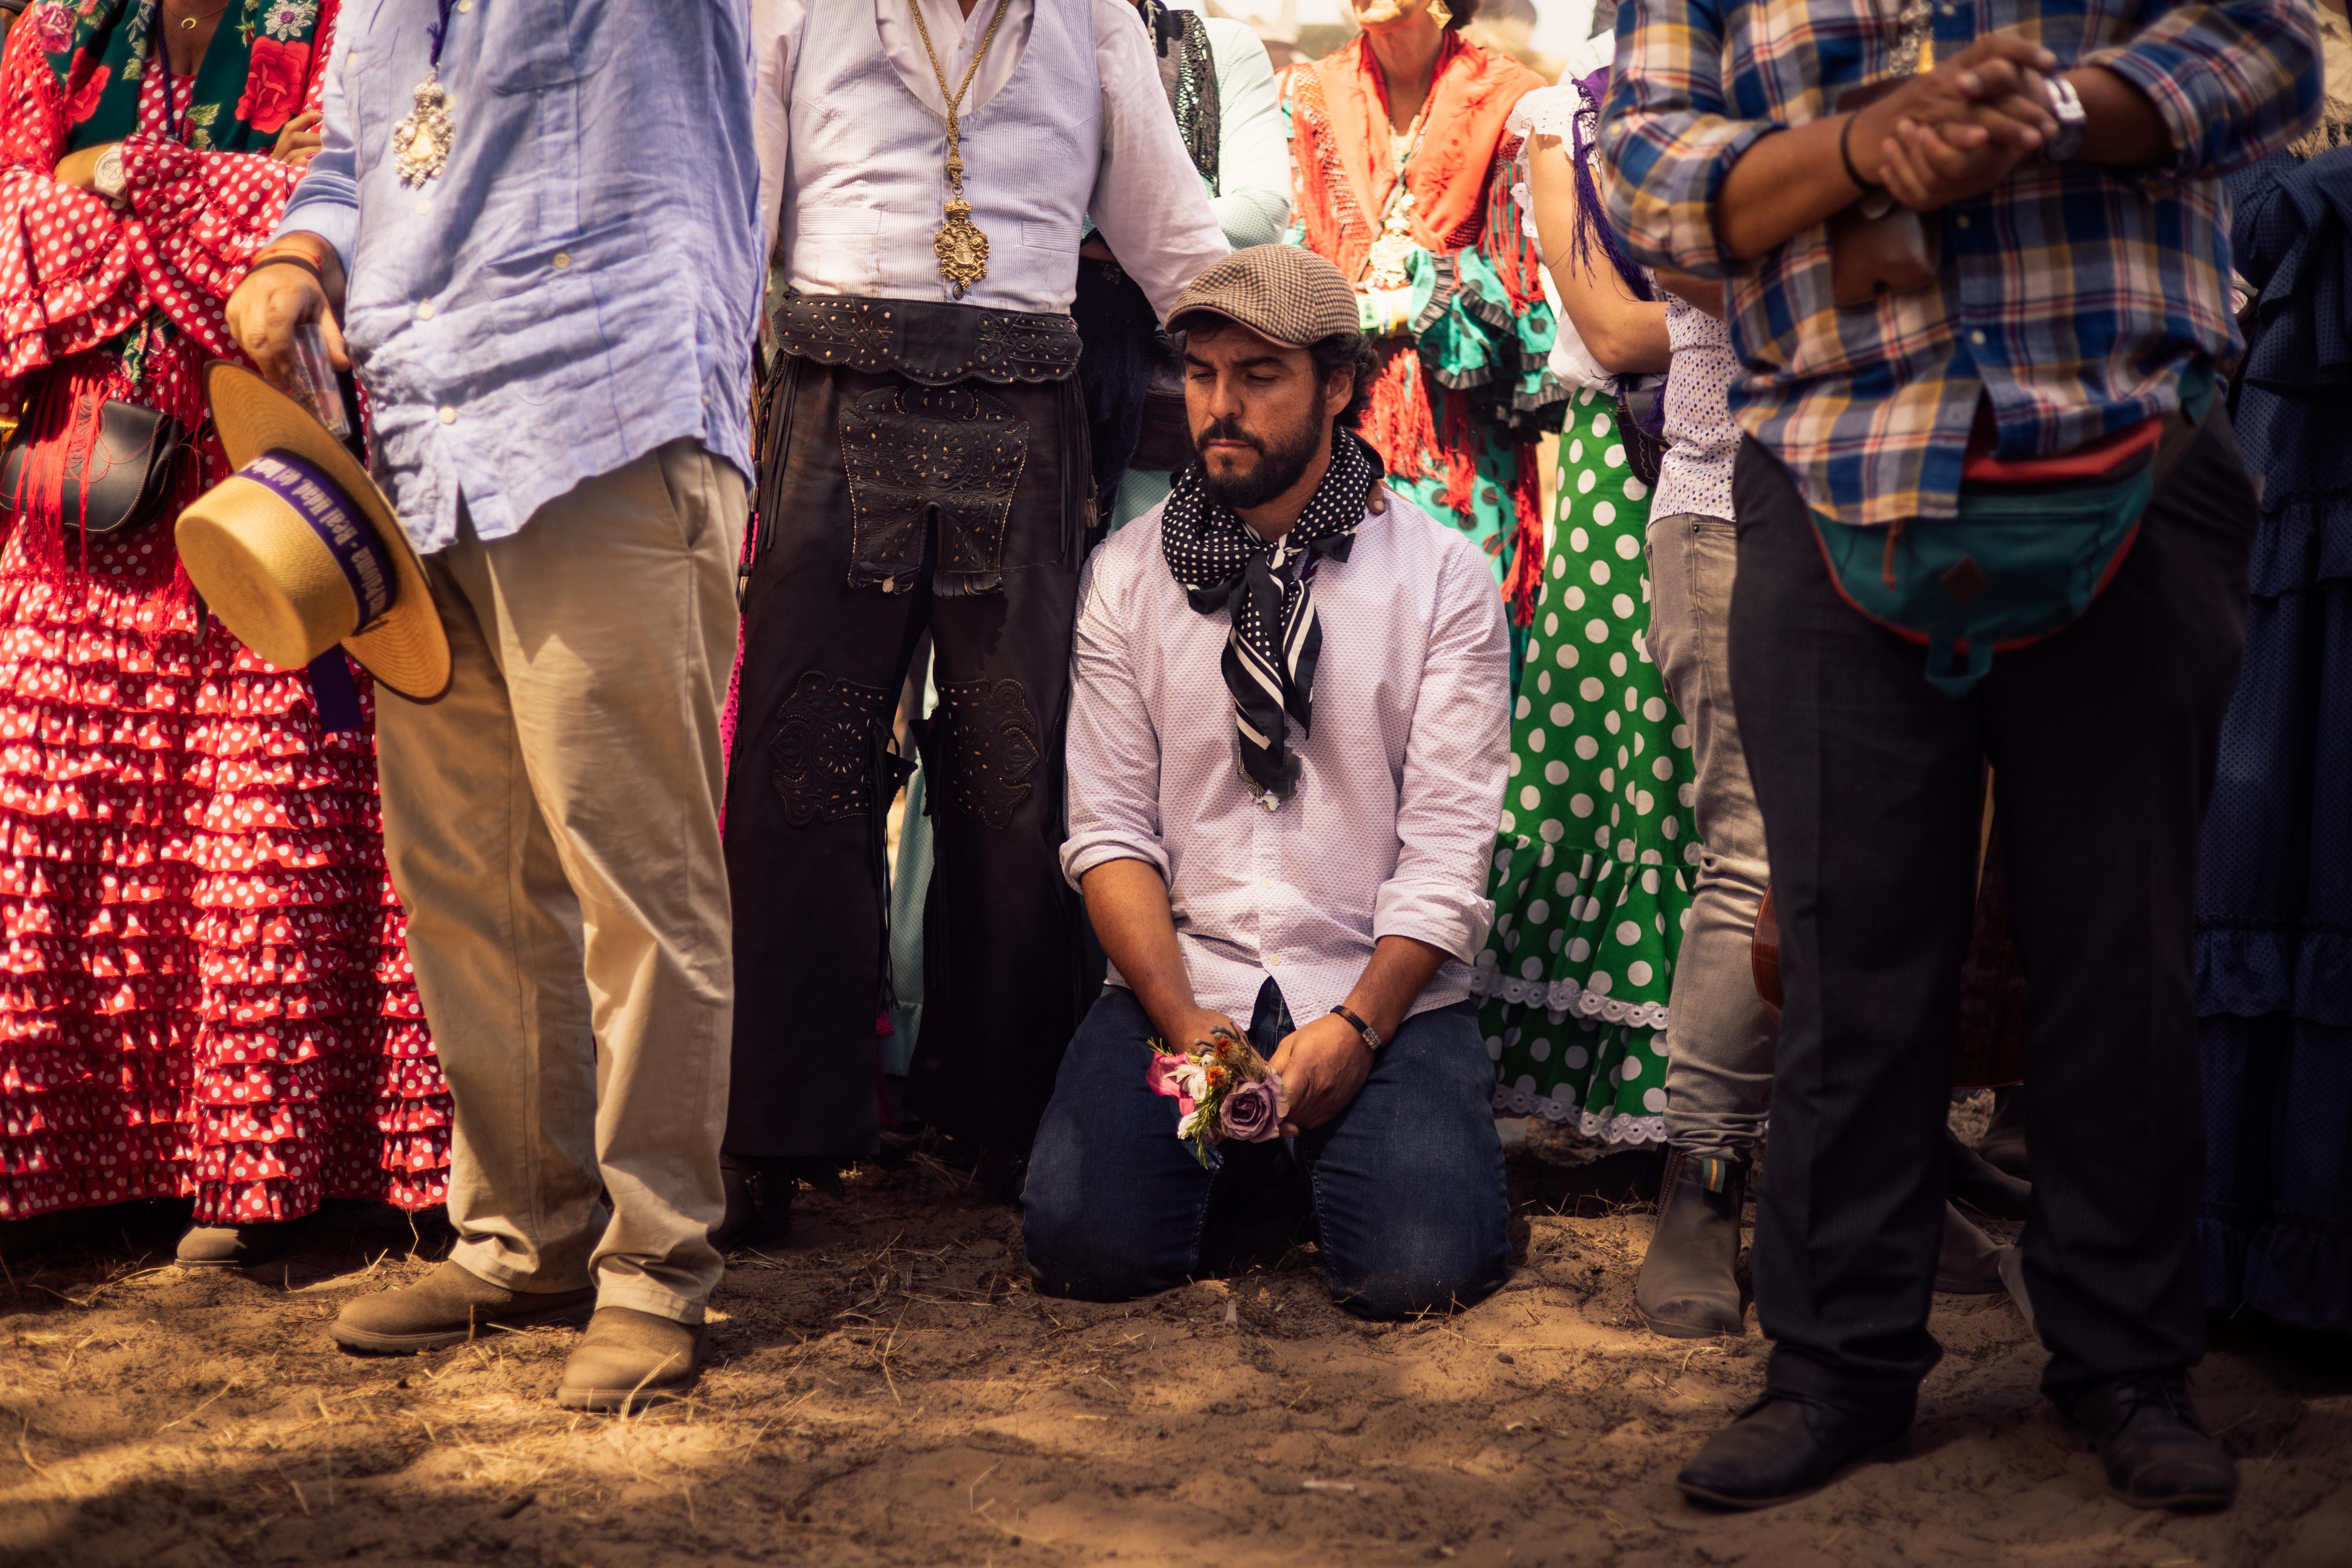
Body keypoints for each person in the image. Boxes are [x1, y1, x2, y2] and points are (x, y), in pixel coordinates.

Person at [1605, 0, 2318, 1511]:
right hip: (1830, 467)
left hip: (2132, 448)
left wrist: (2050, 111)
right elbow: (1647, 176)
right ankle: (1833, 1366)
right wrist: (1863, 144)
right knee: (1847, 955)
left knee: (2119, 949)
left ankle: (2127, 1358)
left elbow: (2267, 53)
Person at [224, 0, 761, 1411]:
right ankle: (525, 1236)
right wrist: (298, 252)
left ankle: (654, 1267)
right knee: (466, 875)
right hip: (421, 452)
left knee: (636, 880)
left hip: (605, 418)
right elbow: (353, 159)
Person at [719, 0, 1227, 1231]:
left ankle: (1007, 1121)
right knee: (803, 760)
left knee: (1018, 770)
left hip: (1026, 411)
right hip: (832, 397)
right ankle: (771, 1131)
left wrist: (1295, 353)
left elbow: (1177, 240)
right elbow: (737, 231)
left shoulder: (1093, 17)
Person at [0, 0, 450, 1263]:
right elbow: (7, 232)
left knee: (271, 827)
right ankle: (76, 1173)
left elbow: (344, 226)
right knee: (44, 813)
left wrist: (118, 178)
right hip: (84, 504)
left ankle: (253, 1183)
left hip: (276, 490)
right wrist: (233, 219)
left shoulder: (349, 26)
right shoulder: (54, 31)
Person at [1022, 244, 1513, 1320]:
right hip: (1185, 980)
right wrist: (1182, 1018)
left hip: (1378, 991)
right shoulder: (1128, 572)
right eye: (1202, 375)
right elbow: (1107, 831)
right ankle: (1263, 1165)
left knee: (1419, 1270)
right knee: (1083, 1246)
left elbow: (1447, 851)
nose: (1220, 407)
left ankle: (1303, 1157)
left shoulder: (1441, 578)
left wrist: (1361, 1028)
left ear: (1337, 385)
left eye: (1258, 376)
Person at [1469, 68, 1698, 1152]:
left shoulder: (1777, 99)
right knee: (1617, 750)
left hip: (1775, 452)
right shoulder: (1565, 121)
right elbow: (1608, 329)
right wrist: (1790, 320)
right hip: (1631, 459)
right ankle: (1630, 1080)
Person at [2196, 0, 2352, 1336]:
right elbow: (2231, 229)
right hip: (2287, 488)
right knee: (2266, 832)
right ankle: (2252, 1247)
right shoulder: (2246, 37)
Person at [1279, 0, 1560, 649]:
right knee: (1338, 644)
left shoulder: (1515, 101)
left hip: (1461, 423)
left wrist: (1394, 307)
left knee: (1464, 636)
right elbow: (1286, 255)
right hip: (1330, 417)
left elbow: (1522, 283)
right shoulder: (1302, 93)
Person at [1083, 0, 1291, 530]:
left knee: (1154, 568)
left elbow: (1260, 216)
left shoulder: (1220, 48)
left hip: (1166, 403)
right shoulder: (1017, 48)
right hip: (1027, 381)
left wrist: (1086, 227)